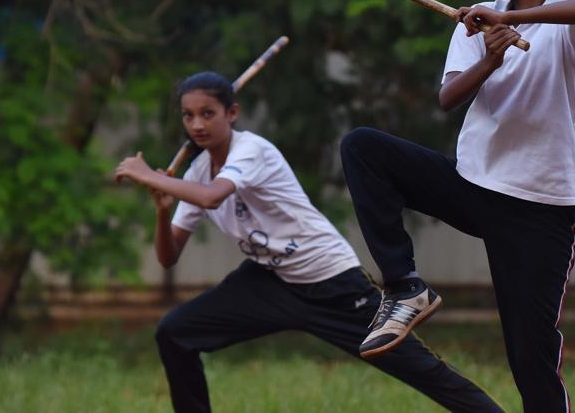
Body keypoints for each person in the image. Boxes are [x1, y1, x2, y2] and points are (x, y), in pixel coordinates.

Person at [340, 0, 575, 413]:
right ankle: (406, 287)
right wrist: (489, 57)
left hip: (541, 210)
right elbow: (449, 97)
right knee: (363, 148)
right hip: (474, 186)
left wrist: (513, 21)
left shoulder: (567, 24)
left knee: (529, 358)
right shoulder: (478, 19)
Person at [114, 71, 503, 413]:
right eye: (188, 116)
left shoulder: (252, 151)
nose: (196, 125)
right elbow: (168, 256)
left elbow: (213, 196)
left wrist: (149, 175)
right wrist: (164, 208)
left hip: (331, 281)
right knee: (175, 332)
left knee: (419, 367)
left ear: (232, 114)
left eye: (207, 113)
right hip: (269, 281)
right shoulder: (196, 173)